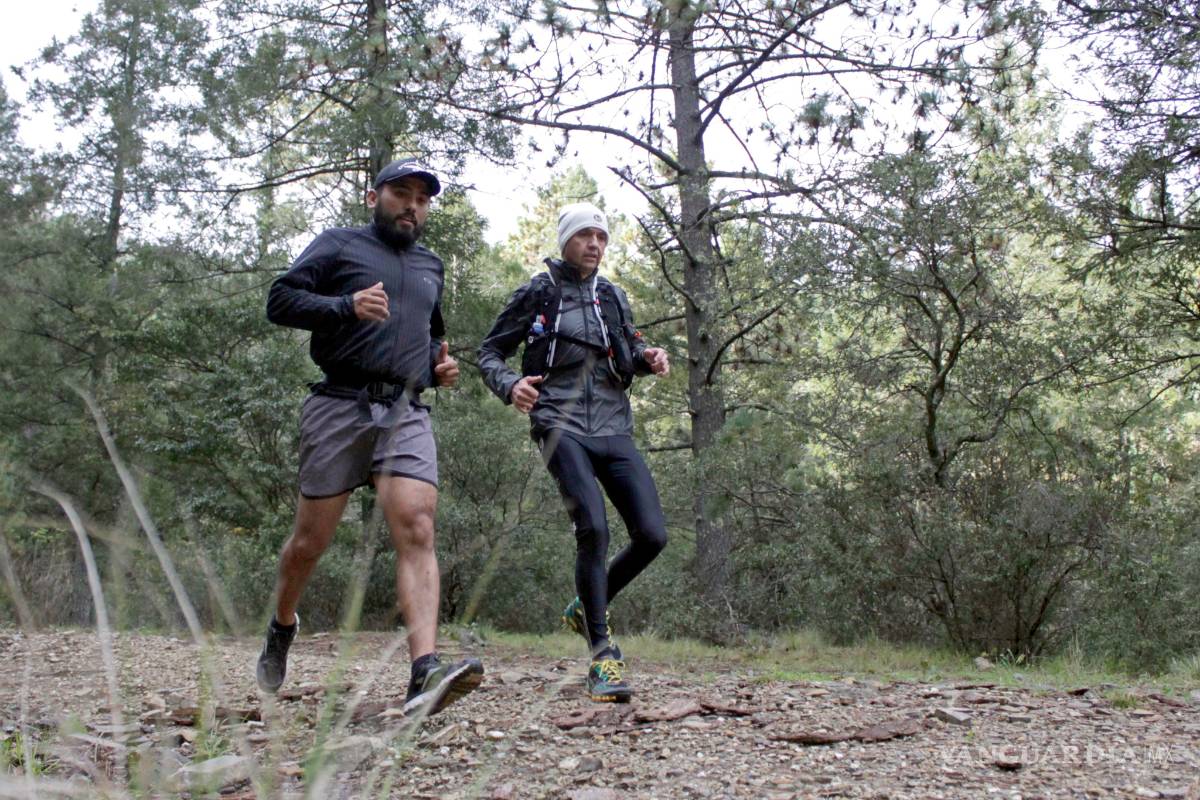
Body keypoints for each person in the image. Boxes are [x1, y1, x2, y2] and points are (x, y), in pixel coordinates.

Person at [257, 158, 483, 718]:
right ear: (373, 196)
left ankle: (424, 670)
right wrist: (344, 306)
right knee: (309, 542)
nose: (412, 206)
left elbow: (429, 336)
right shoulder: (339, 245)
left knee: (418, 525)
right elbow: (279, 300)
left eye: (422, 199)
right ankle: (282, 624)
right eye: (401, 193)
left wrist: (437, 368)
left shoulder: (431, 265)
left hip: (405, 410)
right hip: (339, 404)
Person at [478, 202, 670, 703]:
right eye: (585, 235)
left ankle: (587, 605)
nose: (595, 244)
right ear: (565, 240)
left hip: (613, 425)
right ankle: (602, 654)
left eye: (601, 237)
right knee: (594, 528)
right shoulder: (538, 293)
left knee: (652, 535)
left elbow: (627, 350)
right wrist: (510, 384)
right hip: (558, 422)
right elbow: (489, 353)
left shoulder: (613, 296)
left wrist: (648, 358)